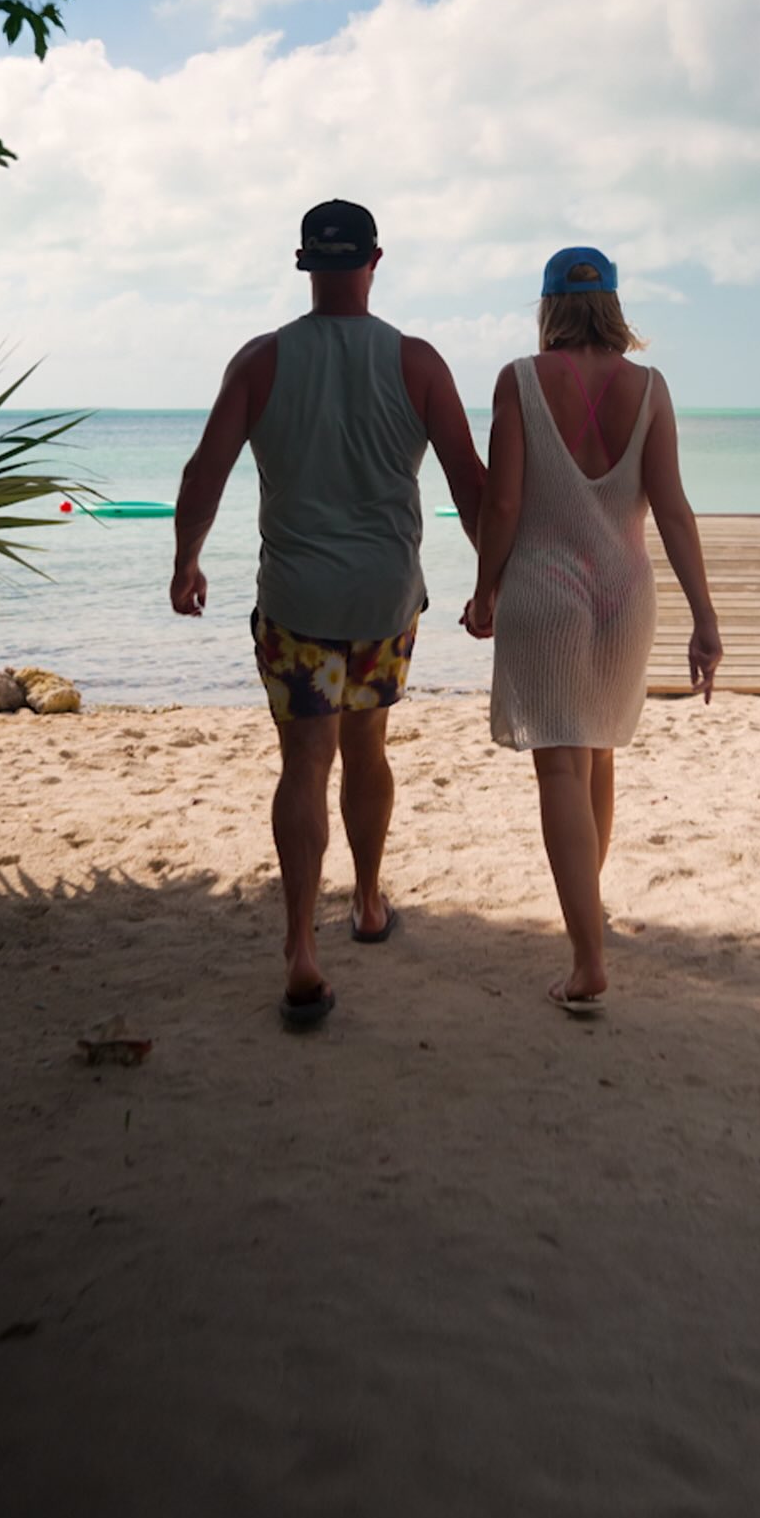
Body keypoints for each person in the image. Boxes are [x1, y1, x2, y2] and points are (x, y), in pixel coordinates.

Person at [171, 199, 485, 1029]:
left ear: (304, 263)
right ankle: (371, 903)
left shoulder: (263, 360)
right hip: (383, 599)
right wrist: (491, 584)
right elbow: (470, 482)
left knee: (304, 763)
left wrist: (187, 561)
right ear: (375, 260)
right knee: (368, 748)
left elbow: (204, 472)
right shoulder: (416, 362)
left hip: (297, 603)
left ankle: (300, 950)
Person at [462, 246, 722, 1015]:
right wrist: (705, 617)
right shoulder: (650, 388)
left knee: (560, 769)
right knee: (598, 753)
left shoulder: (518, 380)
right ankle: (589, 921)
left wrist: (484, 591)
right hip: (624, 594)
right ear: (613, 304)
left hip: (546, 589)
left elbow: (503, 505)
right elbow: (671, 509)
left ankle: (587, 960)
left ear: (548, 307)